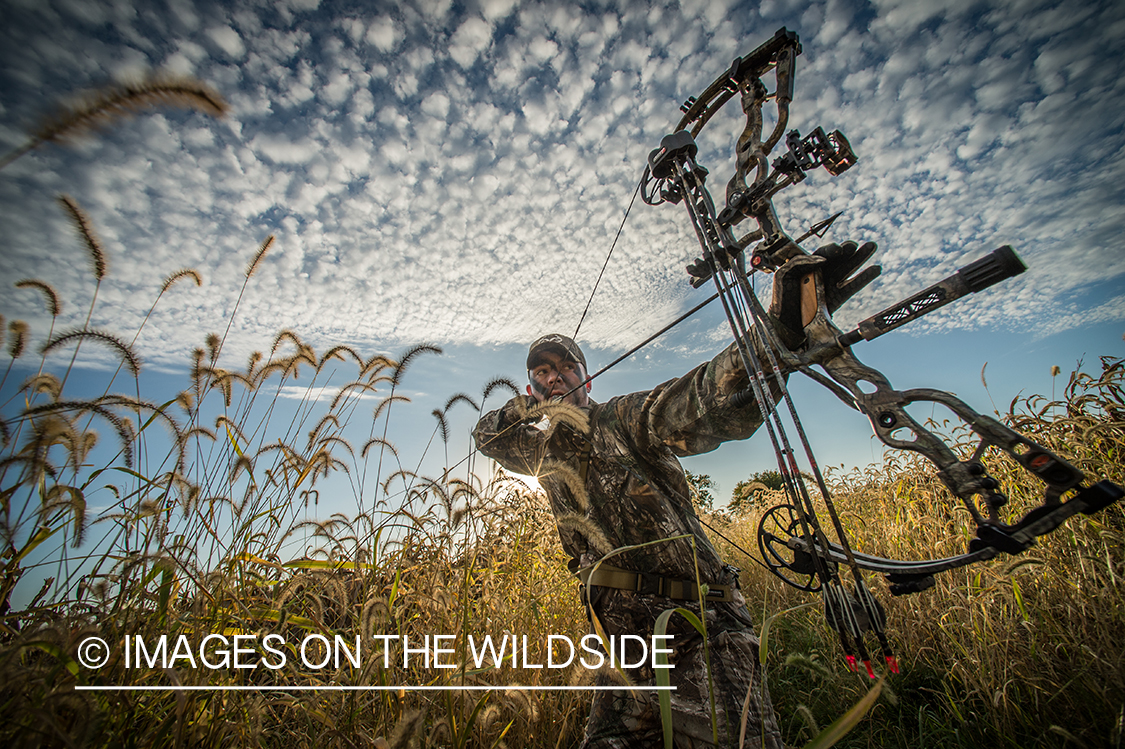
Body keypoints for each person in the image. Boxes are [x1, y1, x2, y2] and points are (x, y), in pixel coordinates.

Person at [473, 241, 879, 748]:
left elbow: (697, 401)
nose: (553, 378)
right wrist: (517, 412)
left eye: (564, 369)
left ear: (587, 378)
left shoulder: (622, 419)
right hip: (625, 651)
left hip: (699, 632)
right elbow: (487, 436)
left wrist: (779, 332)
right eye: (541, 376)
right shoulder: (543, 455)